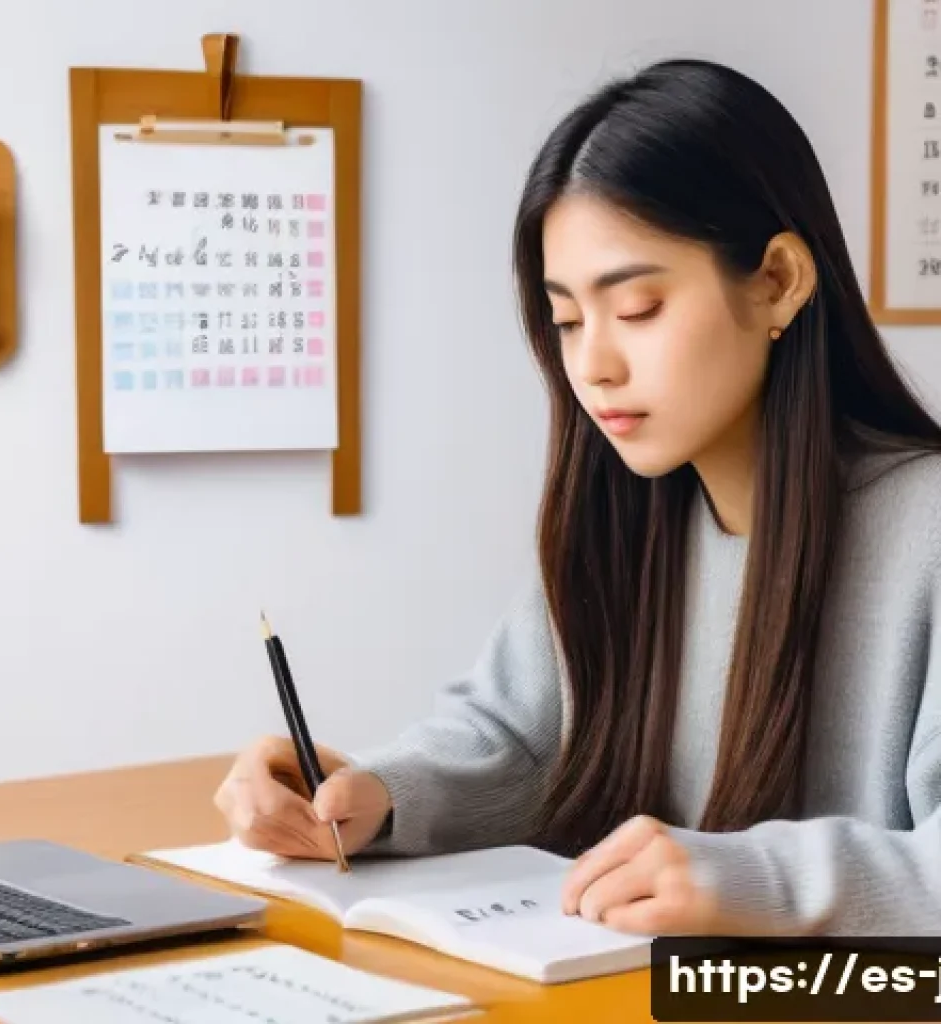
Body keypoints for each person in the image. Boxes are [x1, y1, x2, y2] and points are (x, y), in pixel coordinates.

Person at [215, 58, 941, 938]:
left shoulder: (923, 529)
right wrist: (369, 794)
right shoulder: (629, 516)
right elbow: (524, 742)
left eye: (636, 307)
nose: (593, 364)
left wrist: (755, 877)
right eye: (566, 320)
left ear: (780, 281)